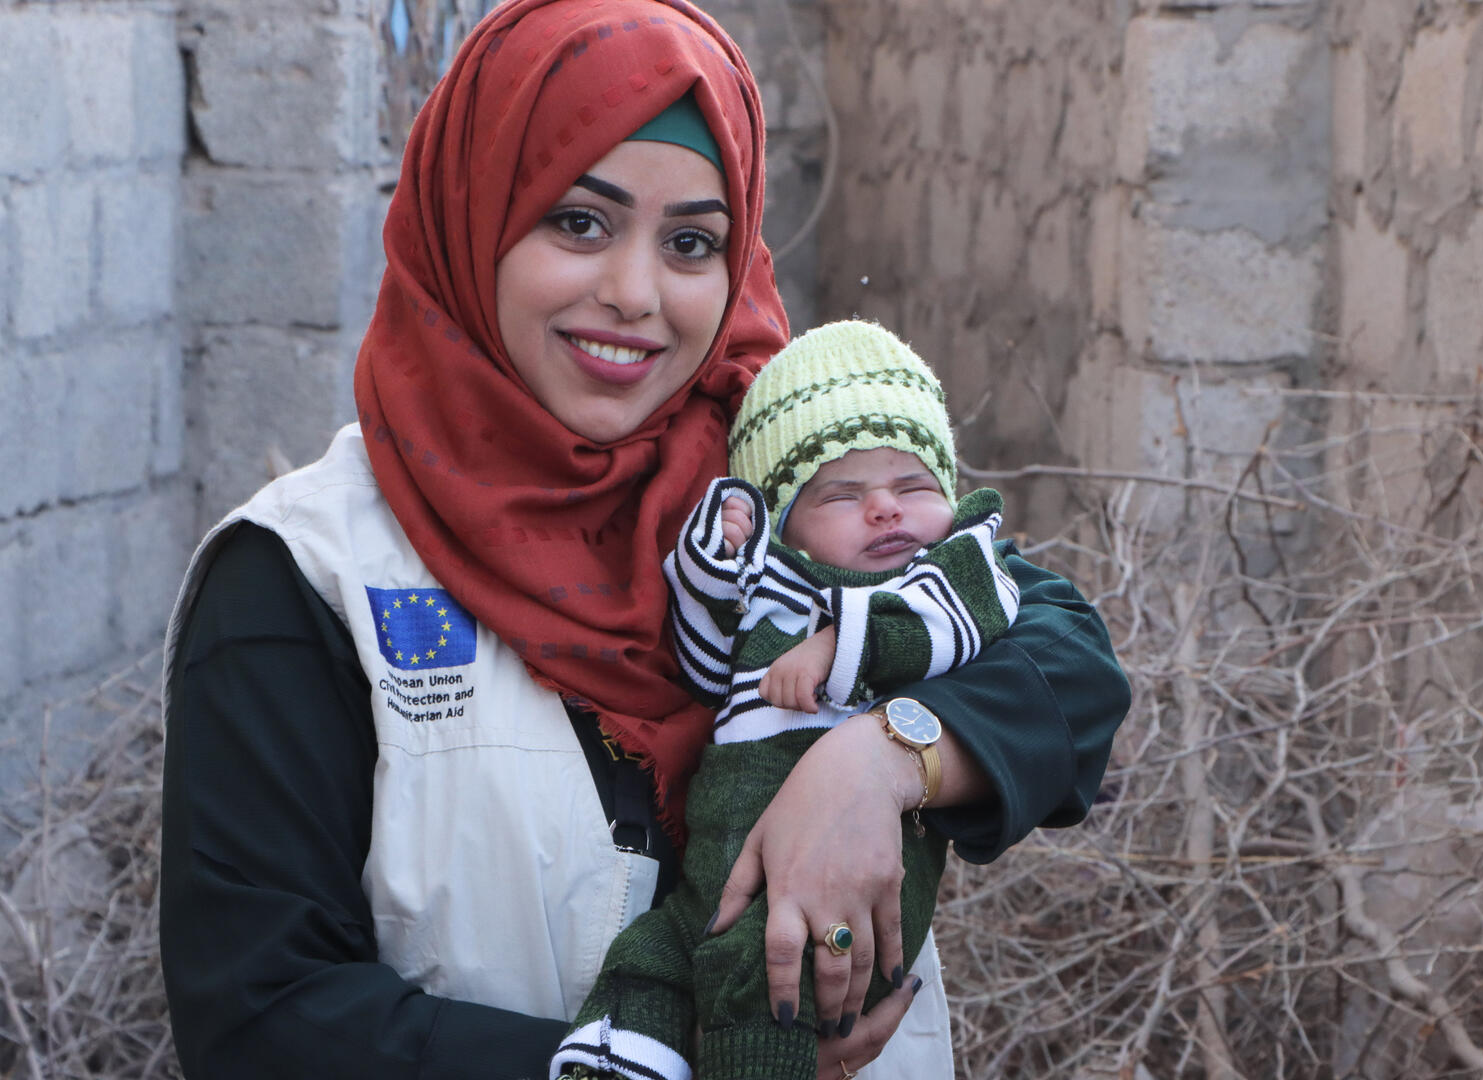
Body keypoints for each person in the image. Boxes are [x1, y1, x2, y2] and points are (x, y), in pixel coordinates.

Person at [157, 2, 1131, 1079]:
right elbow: (260, 1020)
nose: (633, 294)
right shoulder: (308, 576)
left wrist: (886, 759)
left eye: (690, 243)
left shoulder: (778, 495)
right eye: (579, 221)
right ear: (471, 217)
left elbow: (1068, 662)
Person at [556, 320, 1022, 1080]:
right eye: (843, 493)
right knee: (657, 953)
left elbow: (954, 621)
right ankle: (614, 1057)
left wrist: (842, 644)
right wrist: (718, 557)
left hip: (852, 877)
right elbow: (705, 667)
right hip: (719, 857)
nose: (886, 509)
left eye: (914, 485)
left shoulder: (951, 566)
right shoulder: (775, 587)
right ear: (788, 526)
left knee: (768, 967)